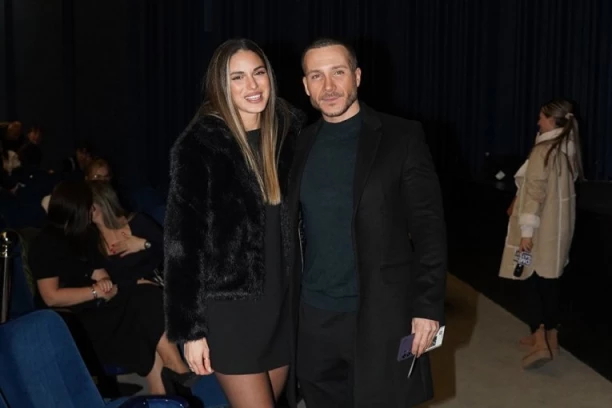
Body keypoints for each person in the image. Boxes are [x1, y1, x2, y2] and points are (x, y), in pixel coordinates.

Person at [287, 38, 447, 408]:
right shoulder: (298, 144)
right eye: (317, 76)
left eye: (338, 72)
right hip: (313, 317)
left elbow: (429, 229)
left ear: (357, 76)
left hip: (381, 313)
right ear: (306, 86)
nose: (328, 86)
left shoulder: (402, 137)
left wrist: (427, 308)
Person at [163, 38, 304, 407]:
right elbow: (182, 245)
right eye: (237, 77)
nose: (252, 85)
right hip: (231, 313)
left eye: (258, 73)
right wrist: (191, 330)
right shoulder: (200, 146)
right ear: (219, 86)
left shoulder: (290, 132)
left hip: (282, 304)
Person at [28, 180, 193, 395]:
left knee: (145, 297)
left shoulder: (85, 236)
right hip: (70, 321)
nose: (91, 212)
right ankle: (174, 374)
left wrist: (106, 284)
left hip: (97, 307)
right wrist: (96, 291)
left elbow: (99, 272)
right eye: (88, 207)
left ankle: (166, 382)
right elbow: (51, 297)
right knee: (140, 310)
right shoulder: (46, 243)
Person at [499, 98, 583, 369]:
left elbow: (534, 193)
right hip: (556, 234)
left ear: (551, 120)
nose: (538, 122)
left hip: (533, 235)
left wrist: (526, 234)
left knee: (527, 277)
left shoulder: (543, 151)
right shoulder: (568, 151)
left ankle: (539, 338)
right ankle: (551, 337)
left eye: (541, 117)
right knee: (550, 281)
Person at [88, 180, 164, 288]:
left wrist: (144, 244)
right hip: (127, 292)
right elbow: (102, 280)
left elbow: (171, 251)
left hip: (158, 284)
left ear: (101, 203)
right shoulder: (92, 240)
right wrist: (133, 283)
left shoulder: (138, 222)